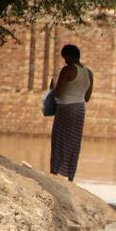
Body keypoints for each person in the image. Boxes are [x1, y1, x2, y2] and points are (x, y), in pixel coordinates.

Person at [49, 44, 93, 182]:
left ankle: (54, 174)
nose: (64, 61)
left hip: (65, 108)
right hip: (79, 109)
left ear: (69, 56)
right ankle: (70, 177)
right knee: (74, 143)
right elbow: (87, 97)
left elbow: (58, 93)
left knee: (59, 140)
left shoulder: (67, 70)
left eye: (65, 57)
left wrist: (52, 88)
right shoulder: (88, 73)